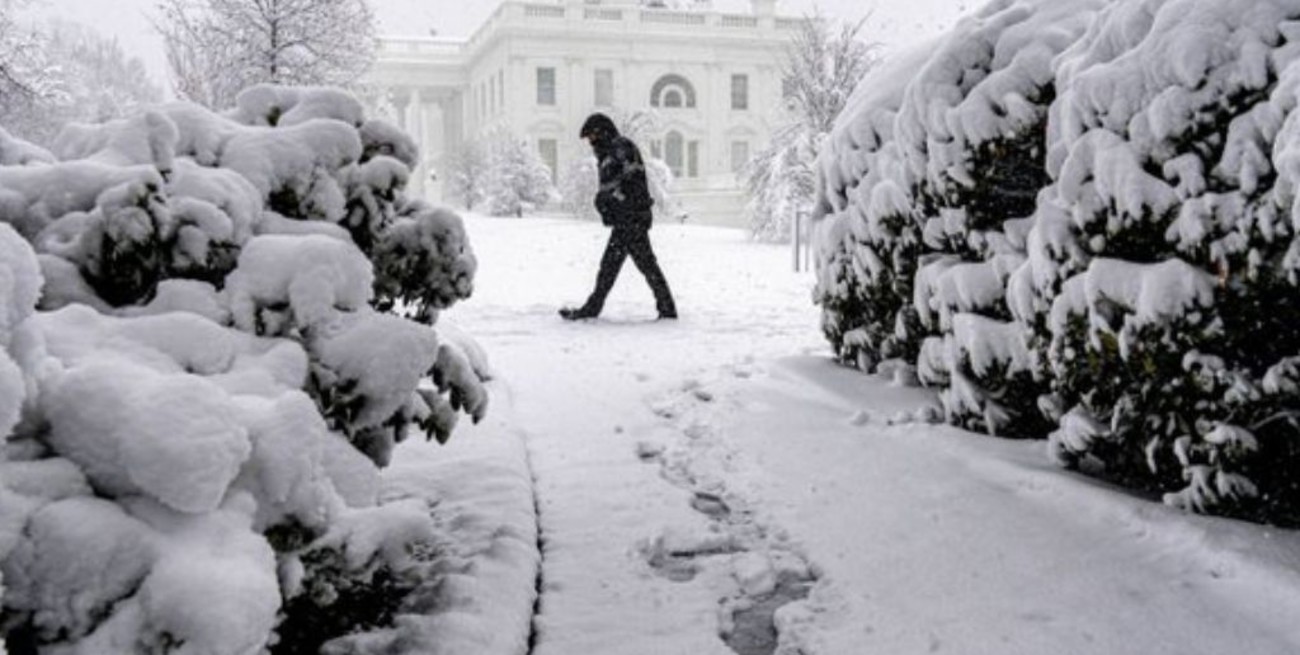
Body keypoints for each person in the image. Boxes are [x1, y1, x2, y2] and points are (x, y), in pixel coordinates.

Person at [560, 113, 678, 321]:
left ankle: (665, 309)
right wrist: (604, 203)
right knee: (630, 266)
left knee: (623, 267)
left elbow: (632, 183)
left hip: (631, 219)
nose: (591, 143)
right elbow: (611, 187)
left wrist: (615, 203)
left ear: (601, 133)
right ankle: (666, 308)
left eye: (592, 137)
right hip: (626, 220)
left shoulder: (621, 148)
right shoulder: (608, 153)